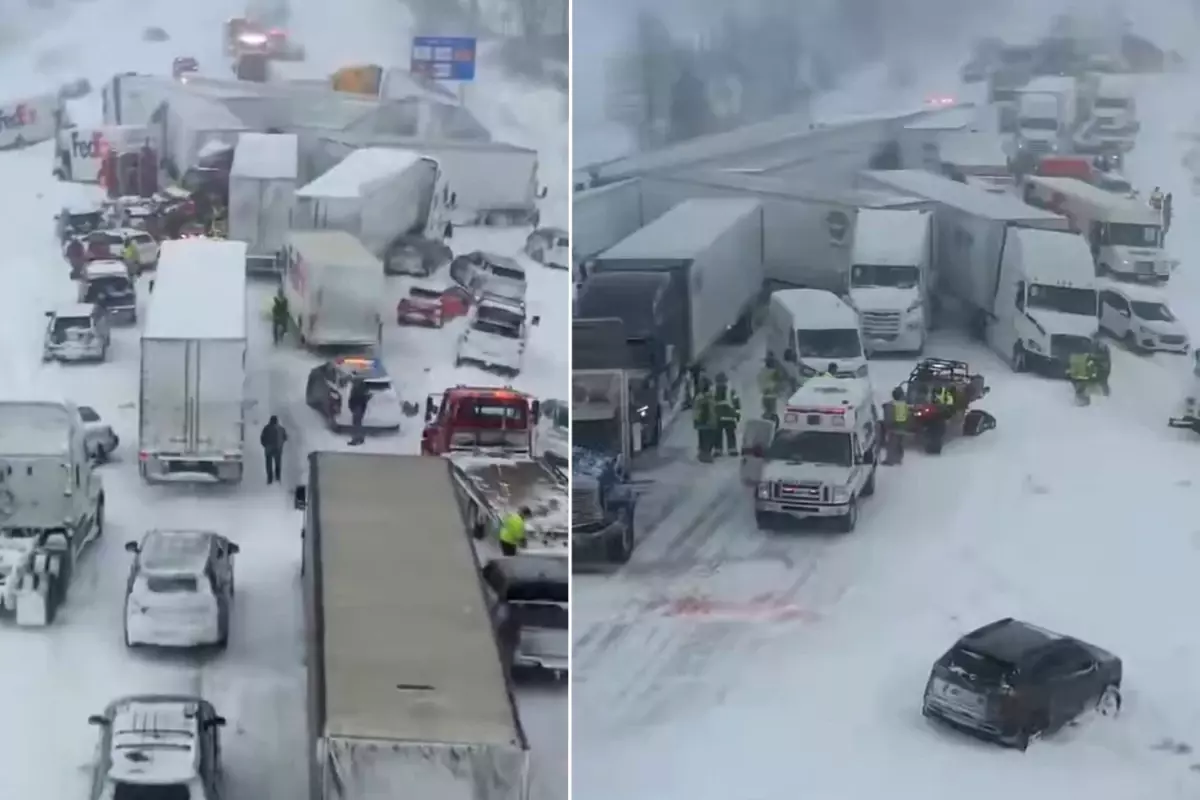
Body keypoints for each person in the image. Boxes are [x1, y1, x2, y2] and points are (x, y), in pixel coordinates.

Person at [712, 372, 741, 456]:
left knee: (722, 433)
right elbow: (736, 403)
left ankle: (721, 449)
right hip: (726, 416)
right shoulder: (730, 391)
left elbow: (736, 402)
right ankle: (729, 449)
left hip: (721, 416)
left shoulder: (714, 391)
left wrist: (737, 413)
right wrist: (737, 413)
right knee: (727, 433)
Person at [881, 386, 909, 465]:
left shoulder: (892, 405)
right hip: (903, 427)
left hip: (894, 427)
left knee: (891, 445)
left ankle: (890, 460)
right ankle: (898, 459)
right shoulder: (904, 403)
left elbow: (889, 417)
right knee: (899, 445)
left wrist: (887, 426)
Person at [693, 378, 716, 462]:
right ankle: (704, 453)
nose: (700, 386)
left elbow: (697, 409)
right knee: (705, 438)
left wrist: (696, 420)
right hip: (705, 421)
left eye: (701, 384)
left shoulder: (701, 397)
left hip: (704, 421)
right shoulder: (710, 396)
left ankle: (705, 454)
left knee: (705, 439)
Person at [259, 415, 288, 485]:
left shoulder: (266, 428)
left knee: (268, 464)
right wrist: (281, 444)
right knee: (278, 464)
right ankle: (278, 478)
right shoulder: (281, 429)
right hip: (278, 448)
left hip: (268, 449)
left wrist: (265, 445)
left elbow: (262, 438)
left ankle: (270, 479)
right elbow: (285, 437)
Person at [758, 353, 785, 420]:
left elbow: (760, 381)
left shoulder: (762, 371)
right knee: (771, 412)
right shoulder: (774, 372)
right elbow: (780, 379)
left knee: (768, 411)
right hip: (771, 395)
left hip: (765, 395)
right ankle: (769, 421)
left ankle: (766, 419)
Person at [347, 377, 370, 445]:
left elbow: (355, 397)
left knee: (356, 423)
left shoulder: (358, 388)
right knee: (358, 423)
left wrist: (352, 404)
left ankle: (356, 439)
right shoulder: (362, 387)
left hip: (358, 406)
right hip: (359, 406)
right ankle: (360, 438)